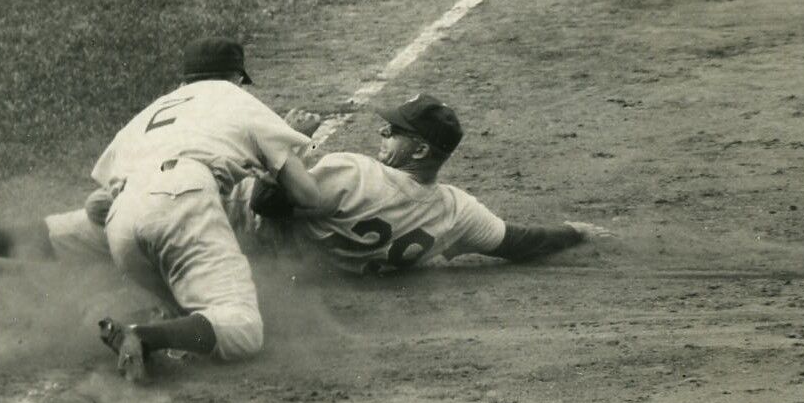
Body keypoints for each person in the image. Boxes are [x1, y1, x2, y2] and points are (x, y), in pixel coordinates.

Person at [0, 38, 323, 383]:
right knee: (242, 326)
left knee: (65, 234)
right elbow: (309, 196)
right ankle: (144, 336)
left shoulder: (148, 116)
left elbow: (98, 206)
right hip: (183, 198)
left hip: (124, 218)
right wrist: (294, 153)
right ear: (237, 77)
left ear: (184, 81)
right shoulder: (239, 100)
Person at [234, 92, 608, 274]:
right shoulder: (456, 212)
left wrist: (286, 140)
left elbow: (266, 201)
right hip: (316, 274)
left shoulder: (352, 172)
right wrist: (574, 232)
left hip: (240, 238)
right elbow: (521, 242)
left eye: (395, 131)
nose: (383, 130)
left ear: (419, 150)